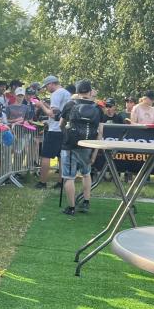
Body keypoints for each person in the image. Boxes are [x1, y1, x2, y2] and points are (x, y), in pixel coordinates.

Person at [59, 80, 103, 216]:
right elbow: (100, 131)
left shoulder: (70, 105)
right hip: (88, 144)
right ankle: (86, 201)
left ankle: (71, 208)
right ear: (90, 92)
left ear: (77, 92)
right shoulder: (97, 108)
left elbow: (61, 124)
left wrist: (65, 133)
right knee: (86, 173)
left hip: (70, 145)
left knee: (69, 177)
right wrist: (95, 152)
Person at [34, 75, 72, 189]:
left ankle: (42, 182)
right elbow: (60, 111)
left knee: (45, 156)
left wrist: (41, 106)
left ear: (51, 84)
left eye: (46, 86)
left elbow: (53, 114)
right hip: (64, 129)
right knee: (61, 157)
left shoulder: (55, 93)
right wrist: (47, 105)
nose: (46, 89)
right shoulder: (67, 93)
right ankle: (61, 182)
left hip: (54, 130)